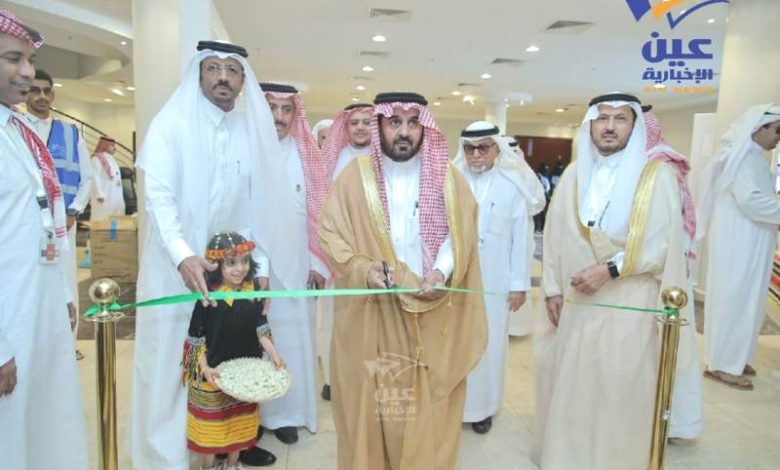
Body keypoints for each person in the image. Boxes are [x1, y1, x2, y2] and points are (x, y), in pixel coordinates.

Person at [131, 41, 303, 470]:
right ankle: (167, 457)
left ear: (243, 79)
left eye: (232, 70)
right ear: (199, 73)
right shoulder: (172, 123)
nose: (223, 77)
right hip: (175, 270)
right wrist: (182, 255)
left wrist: (259, 268)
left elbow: (257, 206)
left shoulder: (249, 130)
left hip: (231, 275)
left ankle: (227, 444)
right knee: (173, 365)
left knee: (232, 359)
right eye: (213, 68)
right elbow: (158, 198)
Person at [318, 91, 487, 469]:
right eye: (395, 122)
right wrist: (363, 268)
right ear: (379, 125)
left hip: (429, 309)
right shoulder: (354, 177)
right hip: (370, 311)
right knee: (370, 406)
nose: (405, 132)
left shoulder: (448, 178)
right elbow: (330, 232)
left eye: (413, 122)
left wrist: (441, 271)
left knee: (422, 408)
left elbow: (460, 235)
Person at [534, 92, 691, 469]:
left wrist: (610, 270)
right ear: (590, 125)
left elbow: (661, 242)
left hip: (630, 302)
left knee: (619, 385)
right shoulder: (573, 175)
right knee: (575, 383)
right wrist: (552, 289)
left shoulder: (656, 176)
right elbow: (554, 235)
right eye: (602, 118)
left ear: (634, 126)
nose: (609, 127)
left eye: (620, 119)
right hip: (577, 301)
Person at [0, 8, 88, 468]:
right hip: (9, 323)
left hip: (38, 308)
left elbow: (40, 220)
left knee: (43, 424)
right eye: (13, 59)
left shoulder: (16, 132)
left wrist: (61, 293)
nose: (27, 72)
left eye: (30, 60)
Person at [259, 82, 329, 444]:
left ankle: (286, 414)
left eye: (287, 109)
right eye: (272, 108)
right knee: (254, 338)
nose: (279, 117)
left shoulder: (305, 156)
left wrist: (318, 261)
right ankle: (253, 416)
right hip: (252, 268)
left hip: (298, 265)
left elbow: (318, 214)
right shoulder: (249, 150)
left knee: (292, 340)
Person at [452, 122, 530, 434]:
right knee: (456, 343)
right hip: (455, 282)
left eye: (483, 147)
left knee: (491, 343)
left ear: (497, 149)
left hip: (496, 283)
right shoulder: (451, 182)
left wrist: (519, 284)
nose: (476, 154)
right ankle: (454, 407)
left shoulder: (512, 187)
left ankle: (483, 409)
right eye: (469, 148)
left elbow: (520, 240)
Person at [183, 232, 285, 470]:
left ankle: (233, 464)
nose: (240, 268)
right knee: (212, 433)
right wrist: (204, 368)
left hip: (245, 376)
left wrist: (274, 355)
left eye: (244, 261)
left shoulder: (253, 292)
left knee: (240, 428)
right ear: (215, 265)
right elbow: (196, 338)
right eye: (231, 263)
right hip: (213, 375)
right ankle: (208, 467)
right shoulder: (208, 298)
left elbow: (261, 329)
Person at [700, 104, 780, 390]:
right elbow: (751, 201)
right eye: (777, 131)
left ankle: (737, 358)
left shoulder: (755, 157)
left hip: (753, 243)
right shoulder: (743, 159)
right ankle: (722, 364)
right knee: (733, 302)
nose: (778, 138)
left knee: (750, 303)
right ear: (759, 128)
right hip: (739, 246)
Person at [25, 68, 93, 360]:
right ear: (26, 93)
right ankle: (36, 345)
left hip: (61, 226)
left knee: (64, 279)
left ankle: (67, 345)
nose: (41, 96)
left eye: (46, 90)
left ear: (53, 95)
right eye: (35, 90)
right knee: (34, 280)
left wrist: (73, 211)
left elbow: (86, 178)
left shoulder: (70, 132)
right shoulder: (15, 129)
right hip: (28, 225)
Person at [643, 106, 702, 440]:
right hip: (651, 270)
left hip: (665, 272)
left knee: (668, 347)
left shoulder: (660, 166)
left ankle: (673, 422)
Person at [315, 101, 374, 401]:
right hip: (337, 255)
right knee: (333, 320)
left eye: (367, 122)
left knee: (371, 324)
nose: (360, 128)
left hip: (374, 255)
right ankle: (332, 379)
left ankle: (366, 381)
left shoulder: (383, 160)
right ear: (346, 127)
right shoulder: (333, 160)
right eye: (354, 123)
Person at [501, 135, 546, 338]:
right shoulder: (495, 172)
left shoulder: (525, 173)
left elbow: (539, 201)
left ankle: (515, 326)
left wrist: (520, 209)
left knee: (518, 273)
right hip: (499, 236)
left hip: (522, 230)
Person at [90, 136, 125, 221]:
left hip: (114, 196)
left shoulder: (111, 159)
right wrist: (99, 194)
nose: (115, 148)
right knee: (102, 219)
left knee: (115, 220)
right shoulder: (96, 159)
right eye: (112, 145)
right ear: (104, 145)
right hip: (103, 197)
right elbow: (94, 177)